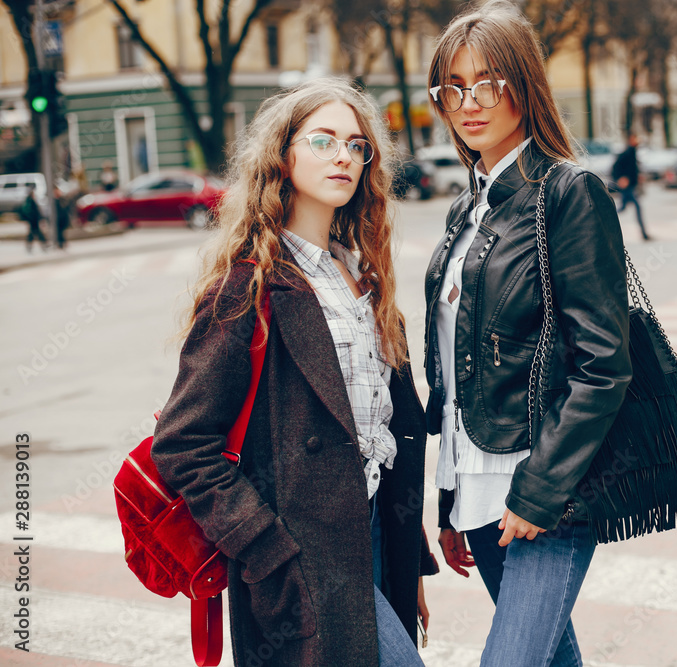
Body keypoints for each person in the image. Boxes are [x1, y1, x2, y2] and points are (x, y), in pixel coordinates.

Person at [150, 77, 436, 667]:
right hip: (304, 557)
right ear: (283, 155)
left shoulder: (364, 278)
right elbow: (183, 446)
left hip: (379, 533)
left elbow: (389, 433)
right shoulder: (248, 286)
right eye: (323, 140)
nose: (344, 157)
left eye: (358, 146)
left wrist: (409, 561)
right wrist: (267, 549)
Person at [425, 3, 632, 666]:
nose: (469, 102)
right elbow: (458, 371)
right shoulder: (466, 207)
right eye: (452, 87)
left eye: (487, 82)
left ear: (524, 84)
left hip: (547, 487)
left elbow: (604, 364)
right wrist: (450, 497)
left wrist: (541, 489)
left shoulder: (569, 192)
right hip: (479, 486)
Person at [612, 133, 650, 240]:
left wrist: (637, 177)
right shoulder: (627, 152)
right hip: (628, 188)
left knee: (623, 208)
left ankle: (644, 234)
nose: (638, 140)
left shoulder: (633, 152)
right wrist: (621, 178)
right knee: (635, 207)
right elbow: (615, 167)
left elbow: (632, 169)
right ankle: (644, 234)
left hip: (631, 186)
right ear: (630, 139)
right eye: (635, 138)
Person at [20, 182, 47, 252]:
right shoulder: (31, 201)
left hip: (33, 220)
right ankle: (43, 245)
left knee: (33, 233)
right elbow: (35, 211)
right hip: (33, 220)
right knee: (35, 233)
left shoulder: (30, 200)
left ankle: (33, 246)